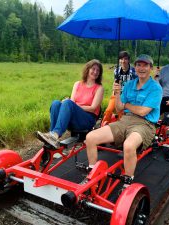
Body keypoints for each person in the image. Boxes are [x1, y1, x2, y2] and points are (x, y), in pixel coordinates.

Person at [84, 54, 162, 187]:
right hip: (125, 120)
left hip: (145, 124)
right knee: (90, 137)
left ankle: (127, 180)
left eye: (145, 65)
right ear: (135, 67)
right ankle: (92, 175)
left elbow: (143, 112)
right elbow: (119, 108)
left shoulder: (156, 88)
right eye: (138, 65)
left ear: (151, 68)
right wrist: (118, 93)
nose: (141, 68)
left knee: (129, 145)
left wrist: (127, 105)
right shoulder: (130, 85)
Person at [36, 59, 104, 149]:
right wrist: (65, 104)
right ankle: (52, 135)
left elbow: (93, 108)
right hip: (74, 118)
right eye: (93, 69)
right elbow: (72, 102)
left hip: (87, 119)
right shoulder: (77, 84)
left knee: (68, 103)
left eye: (98, 70)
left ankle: (54, 134)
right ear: (88, 69)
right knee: (56, 103)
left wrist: (72, 105)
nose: (95, 72)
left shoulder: (99, 88)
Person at [101, 51, 137, 125]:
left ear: (128, 60)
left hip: (128, 96)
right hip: (117, 94)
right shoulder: (116, 71)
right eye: (121, 59)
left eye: (125, 59)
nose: (123, 61)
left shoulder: (134, 71)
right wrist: (113, 93)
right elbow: (115, 82)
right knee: (109, 110)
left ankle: (121, 127)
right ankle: (103, 125)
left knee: (121, 112)